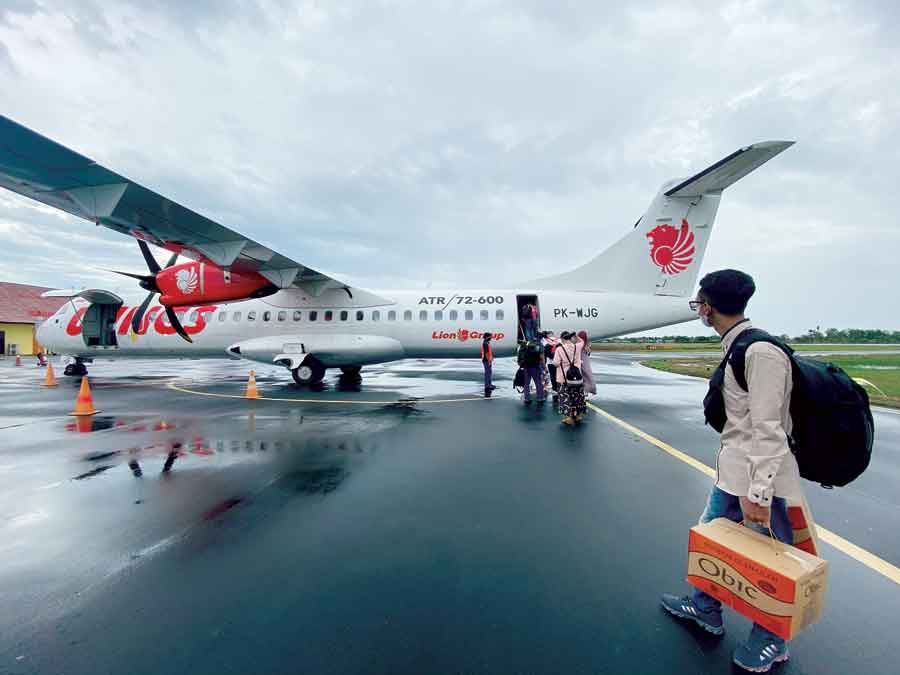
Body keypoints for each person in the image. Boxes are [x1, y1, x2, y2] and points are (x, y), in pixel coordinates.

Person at [660, 269, 804, 673]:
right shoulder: (736, 345)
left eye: (698, 303)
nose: (698, 310)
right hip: (733, 475)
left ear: (708, 308)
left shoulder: (760, 352)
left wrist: (758, 494)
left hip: (763, 481)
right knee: (710, 543)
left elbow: (769, 429)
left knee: (771, 564)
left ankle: (772, 641)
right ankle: (704, 607)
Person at [552, 331, 586, 425]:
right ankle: (578, 416)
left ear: (562, 339)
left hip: (563, 378)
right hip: (577, 377)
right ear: (570, 338)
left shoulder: (560, 349)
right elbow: (582, 341)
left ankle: (569, 417)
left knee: (565, 397)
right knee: (577, 396)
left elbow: (556, 363)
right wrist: (576, 336)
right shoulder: (577, 347)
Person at [519, 339, 545, 405]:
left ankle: (527, 398)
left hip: (526, 368)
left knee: (526, 384)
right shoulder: (536, 350)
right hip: (535, 368)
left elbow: (519, 359)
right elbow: (541, 359)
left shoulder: (523, 349)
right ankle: (540, 398)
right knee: (538, 383)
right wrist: (543, 367)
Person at [576, 330, 596, 396]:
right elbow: (589, 353)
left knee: (580, 376)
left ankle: (582, 391)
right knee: (587, 376)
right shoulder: (587, 343)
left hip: (578, 360)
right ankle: (586, 391)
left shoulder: (578, 343)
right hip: (586, 361)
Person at [542, 331, 559, 398]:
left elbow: (544, 355)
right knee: (558, 376)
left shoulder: (546, 343)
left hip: (550, 362)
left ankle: (554, 389)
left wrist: (544, 364)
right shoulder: (558, 342)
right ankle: (559, 388)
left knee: (552, 376)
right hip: (557, 362)